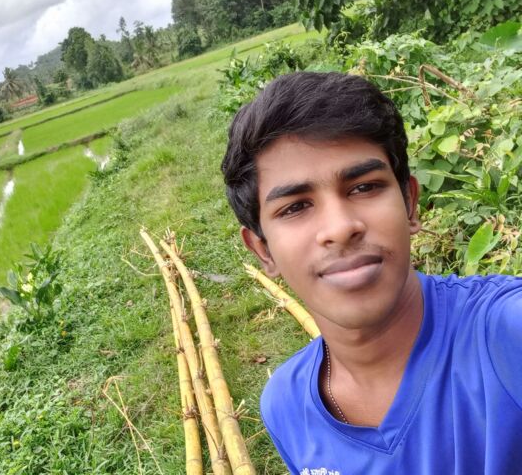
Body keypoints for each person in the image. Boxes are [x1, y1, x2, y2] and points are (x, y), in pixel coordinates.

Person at [221, 71, 522, 474]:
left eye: (363, 187)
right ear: (263, 250)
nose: (340, 227)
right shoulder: (286, 407)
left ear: (410, 204)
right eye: (295, 207)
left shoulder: (505, 336)